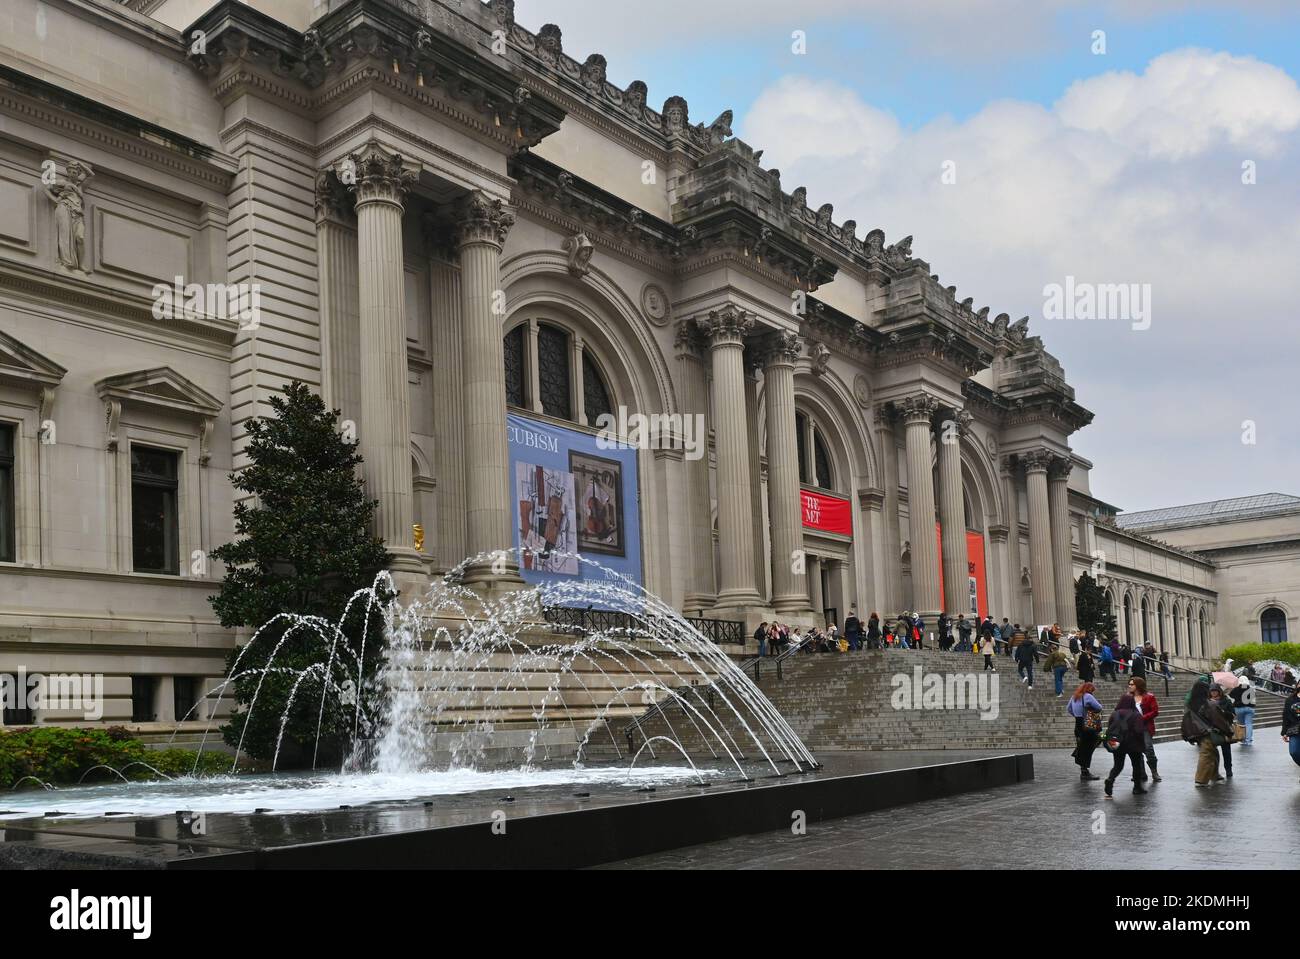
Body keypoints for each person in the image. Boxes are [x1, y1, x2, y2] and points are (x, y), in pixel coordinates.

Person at [1182, 677, 1234, 786]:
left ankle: (1214, 774)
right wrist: (1228, 731)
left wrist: (1187, 735)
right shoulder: (1209, 704)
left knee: (1213, 753)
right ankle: (1201, 780)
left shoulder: (1190, 706)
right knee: (1206, 755)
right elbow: (1219, 720)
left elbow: (1185, 722)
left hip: (1197, 733)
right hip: (1208, 733)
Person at [1103, 693, 1148, 797]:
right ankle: (1137, 787)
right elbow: (1139, 730)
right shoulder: (1135, 714)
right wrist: (1142, 744)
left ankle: (1110, 779)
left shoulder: (1115, 714)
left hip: (1118, 743)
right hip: (1133, 744)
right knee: (1136, 765)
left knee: (1118, 765)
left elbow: (1110, 727)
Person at [1068, 682, 1104, 780]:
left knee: (1083, 746)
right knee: (1090, 745)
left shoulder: (1074, 696)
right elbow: (1099, 707)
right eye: (1092, 690)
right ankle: (1084, 771)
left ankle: (1083, 769)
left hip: (1078, 724)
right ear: (1089, 689)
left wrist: (1077, 715)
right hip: (1087, 725)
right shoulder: (1088, 696)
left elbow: (1069, 709)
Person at [1130, 676, 1162, 782]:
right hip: (1133, 728)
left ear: (1138, 685)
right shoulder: (1128, 698)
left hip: (1145, 727)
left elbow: (1155, 711)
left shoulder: (1149, 697)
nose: (1129, 686)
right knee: (1136, 751)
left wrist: (1142, 718)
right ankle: (1140, 773)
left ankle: (1154, 772)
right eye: (1129, 684)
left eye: (1132, 684)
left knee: (1148, 749)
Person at [1213, 684, 1237, 778]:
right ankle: (1214, 771)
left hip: (1224, 729)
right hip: (1212, 729)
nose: (1213, 693)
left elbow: (1233, 714)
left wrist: (1223, 712)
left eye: (1215, 691)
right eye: (1212, 691)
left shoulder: (1226, 701)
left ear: (1219, 691)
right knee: (1212, 752)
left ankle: (1228, 769)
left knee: (1226, 751)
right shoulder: (1207, 702)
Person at [1230, 677, 1256, 747]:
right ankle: (1249, 740)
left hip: (1239, 708)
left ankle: (1243, 739)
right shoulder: (1251, 689)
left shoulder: (1236, 689)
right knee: (1249, 724)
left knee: (1242, 725)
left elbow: (1231, 695)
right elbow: (1253, 698)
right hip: (1250, 708)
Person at [1283, 680, 1300, 772]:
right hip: (1294, 729)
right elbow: (1285, 716)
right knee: (1293, 752)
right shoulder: (1290, 699)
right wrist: (1284, 732)